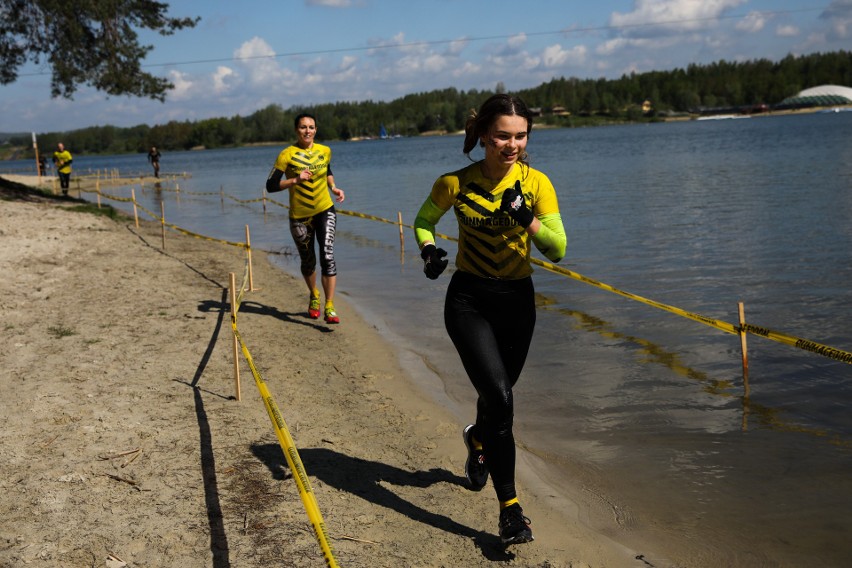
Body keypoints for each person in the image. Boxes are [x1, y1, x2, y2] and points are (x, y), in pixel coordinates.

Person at [413, 94, 566, 545]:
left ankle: (478, 440)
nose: (511, 144)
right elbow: (423, 220)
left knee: (498, 399)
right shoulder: (454, 183)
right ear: (483, 135)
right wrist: (428, 251)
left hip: (517, 300)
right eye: (502, 135)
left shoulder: (537, 185)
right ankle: (511, 510)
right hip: (469, 301)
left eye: (520, 136)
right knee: (500, 399)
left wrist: (528, 222)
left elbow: (558, 249)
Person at [265, 113, 345, 324]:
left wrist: (334, 187)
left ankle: (329, 305)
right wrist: (295, 180)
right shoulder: (287, 154)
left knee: (327, 255)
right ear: (296, 130)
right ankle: (314, 295)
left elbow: (327, 169)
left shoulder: (325, 151)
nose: (307, 131)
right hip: (299, 217)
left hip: (325, 209)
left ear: (316, 130)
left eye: (311, 127)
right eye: (303, 127)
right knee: (308, 261)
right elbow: (271, 186)